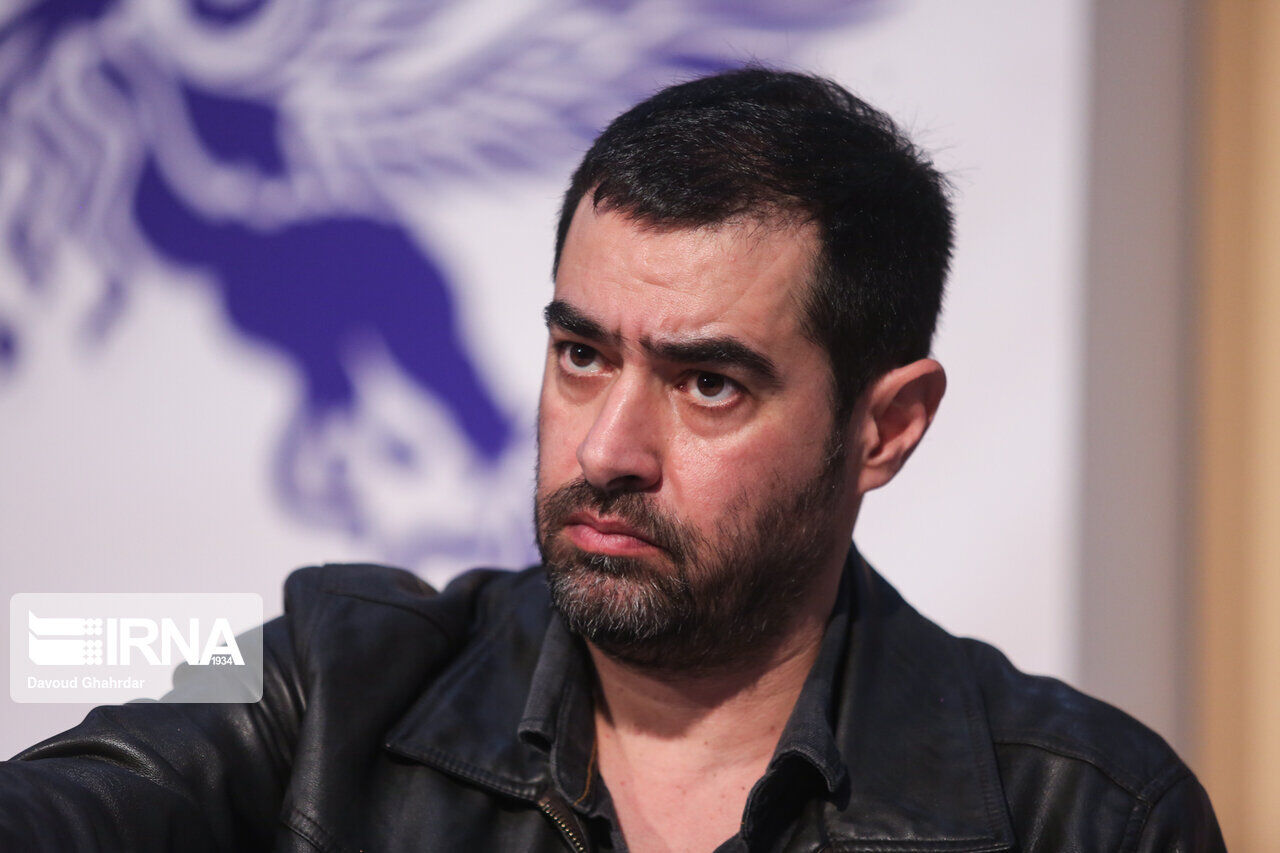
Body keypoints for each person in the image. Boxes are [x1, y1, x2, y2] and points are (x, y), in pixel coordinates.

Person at [1, 67, 1223, 852]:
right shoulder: (318, 673)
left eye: (707, 382)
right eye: (580, 354)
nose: (605, 448)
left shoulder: (1090, 813)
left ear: (883, 427)